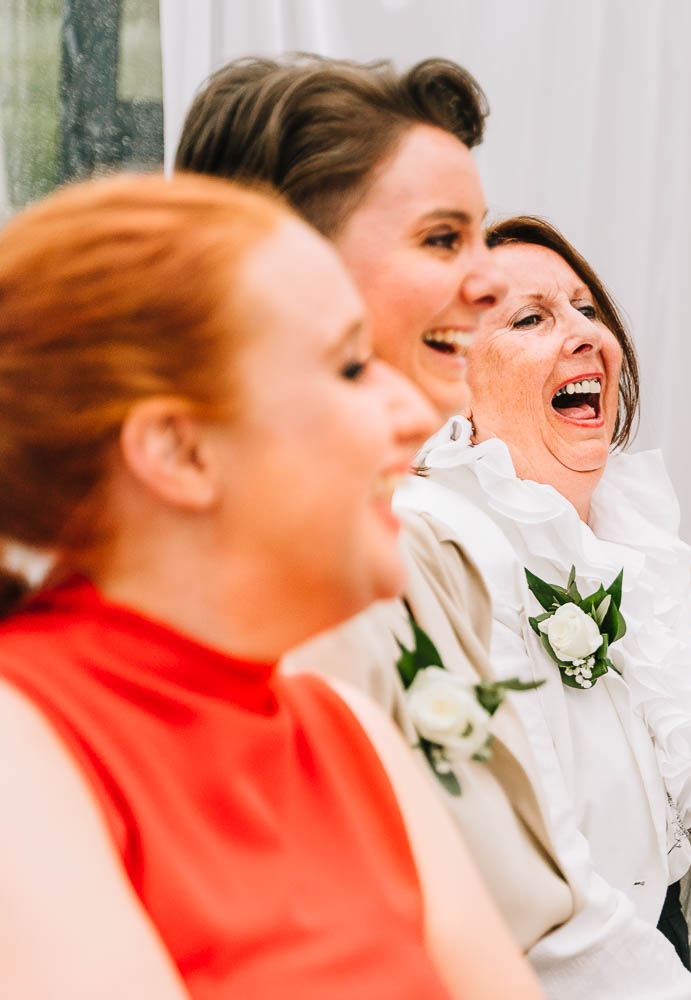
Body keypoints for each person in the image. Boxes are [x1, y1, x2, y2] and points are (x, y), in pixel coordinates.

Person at [0, 173, 544, 999]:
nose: (412, 411)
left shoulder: (349, 735)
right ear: (181, 452)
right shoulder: (24, 742)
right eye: (352, 366)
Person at [175, 54, 575, 949]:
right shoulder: (228, 613)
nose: (490, 283)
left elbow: (563, 892)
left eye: (481, 238)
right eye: (442, 240)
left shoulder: (440, 556)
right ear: (282, 260)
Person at [397, 216, 691, 998]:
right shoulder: (438, 548)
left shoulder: (635, 539)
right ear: (455, 383)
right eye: (532, 318)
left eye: (586, 308)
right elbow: (538, 911)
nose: (587, 336)